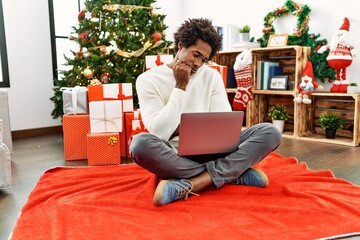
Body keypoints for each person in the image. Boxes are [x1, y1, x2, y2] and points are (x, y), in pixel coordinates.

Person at [130, 18, 282, 206]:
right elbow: (160, 132)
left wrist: (179, 127)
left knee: (270, 132)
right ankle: (231, 173)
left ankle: (196, 182)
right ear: (181, 45)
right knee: (140, 144)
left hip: (216, 151)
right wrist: (180, 86)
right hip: (175, 153)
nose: (198, 64)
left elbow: (223, 125)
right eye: (195, 55)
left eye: (204, 59)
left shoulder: (211, 75)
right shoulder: (147, 80)